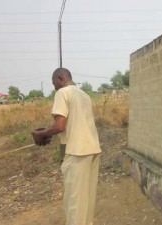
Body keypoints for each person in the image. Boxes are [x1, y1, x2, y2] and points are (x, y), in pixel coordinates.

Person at [32, 68, 101, 225]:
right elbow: (72, 123)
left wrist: (40, 134)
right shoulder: (84, 95)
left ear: (61, 78)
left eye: (54, 83)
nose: (54, 87)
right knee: (87, 200)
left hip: (77, 153)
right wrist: (47, 130)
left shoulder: (62, 93)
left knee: (74, 203)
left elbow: (60, 126)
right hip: (93, 149)